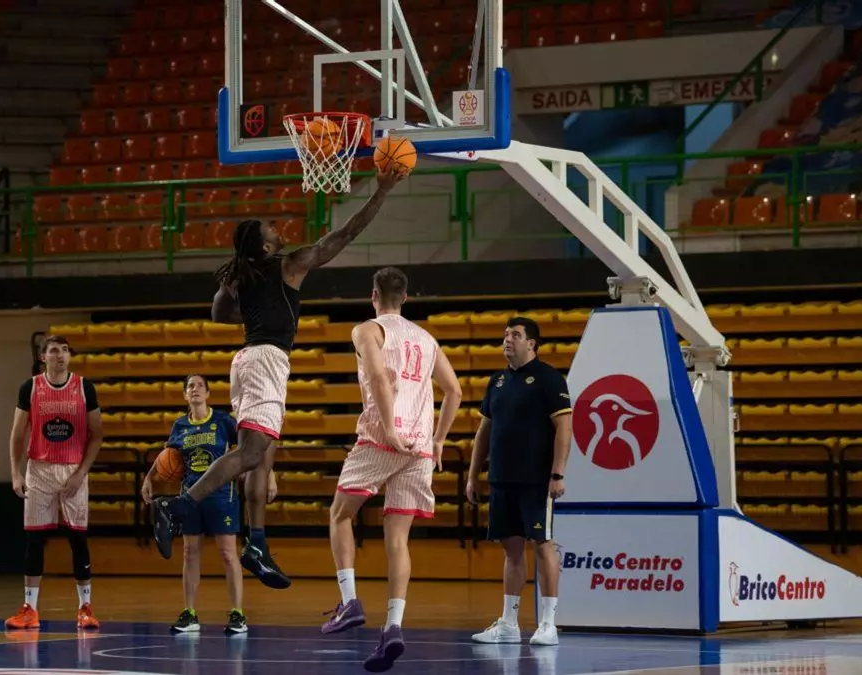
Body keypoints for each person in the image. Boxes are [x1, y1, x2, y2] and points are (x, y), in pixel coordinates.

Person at [151, 167, 407, 589]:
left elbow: (219, 313)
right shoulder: (288, 264)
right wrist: (381, 191)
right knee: (252, 453)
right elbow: (343, 235)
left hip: (251, 359)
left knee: (262, 454)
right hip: (265, 359)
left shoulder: (242, 275)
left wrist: (247, 301)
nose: (277, 228)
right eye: (270, 228)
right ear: (266, 246)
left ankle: (257, 543)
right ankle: (178, 505)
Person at [319, 267, 463, 672]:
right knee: (398, 539)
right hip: (421, 448)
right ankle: (393, 627)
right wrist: (438, 441)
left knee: (340, 514)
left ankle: (349, 601)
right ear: (406, 298)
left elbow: (380, 378)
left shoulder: (368, 330)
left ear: (374, 296)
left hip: (384, 438)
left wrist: (391, 429)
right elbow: (455, 391)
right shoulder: (426, 338)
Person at [466, 317, 573, 646]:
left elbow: (565, 428)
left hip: (536, 480)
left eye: (515, 335)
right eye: (505, 335)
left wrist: (557, 473)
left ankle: (548, 624)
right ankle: (509, 624)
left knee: (543, 545)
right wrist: (473, 475)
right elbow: (484, 432)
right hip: (502, 479)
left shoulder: (548, 378)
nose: (507, 340)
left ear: (532, 343)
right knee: (511, 551)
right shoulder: (496, 381)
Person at [141, 373, 276, 635]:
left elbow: (253, 449)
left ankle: (237, 613)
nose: (195, 389)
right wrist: (149, 478)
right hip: (190, 495)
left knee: (227, 553)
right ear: (185, 394)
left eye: (200, 385)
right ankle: (189, 613)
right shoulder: (180, 425)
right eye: (190, 386)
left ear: (208, 393)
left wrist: (269, 475)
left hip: (221, 495)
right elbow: (166, 456)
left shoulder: (223, 421)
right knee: (189, 553)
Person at [5, 335, 104, 631]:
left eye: (64, 350)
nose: (60, 355)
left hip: (73, 468)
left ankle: (85, 608)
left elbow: (97, 435)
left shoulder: (85, 388)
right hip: (39, 469)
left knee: (78, 538)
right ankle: (30, 609)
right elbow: (17, 434)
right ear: (43, 357)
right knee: (34, 539)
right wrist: (16, 472)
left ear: (69, 356)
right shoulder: (30, 387)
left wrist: (81, 473)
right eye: (54, 350)